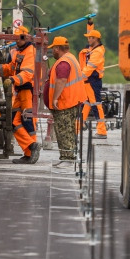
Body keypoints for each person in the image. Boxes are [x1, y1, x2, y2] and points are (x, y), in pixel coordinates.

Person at [0, 26, 40, 164]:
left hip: (28, 91)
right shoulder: (18, 51)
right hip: (20, 91)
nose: (17, 41)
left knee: (27, 122)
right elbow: (10, 68)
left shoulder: (30, 51)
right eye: (15, 38)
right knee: (13, 121)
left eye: (19, 38)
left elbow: (27, 73)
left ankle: (31, 153)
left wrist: (13, 79)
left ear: (26, 37)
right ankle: (31, 147)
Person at [47, 36, 86, 165]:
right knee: (68, 130)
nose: (52, 51)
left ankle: (67, 158)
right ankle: (68, 156)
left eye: (53, 48)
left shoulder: (63, 62)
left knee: (64, 131)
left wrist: (55, 98)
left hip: (65, 102)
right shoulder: (71, 58)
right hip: (71, 101)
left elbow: (62, 80)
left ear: (58, 48)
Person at [79, 21, 107, 139]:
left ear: (96, 39)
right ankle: (79, 125)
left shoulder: (97, 52)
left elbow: (89, 68)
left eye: (90, 38)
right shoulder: (93, 47)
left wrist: (78, 78)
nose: (88, 39)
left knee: (96, 105)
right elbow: (91, 33)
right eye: (88, 37)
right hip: (88, 81)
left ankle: (101, 131)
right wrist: (90, 25)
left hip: (92, 81)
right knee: (86, 103)